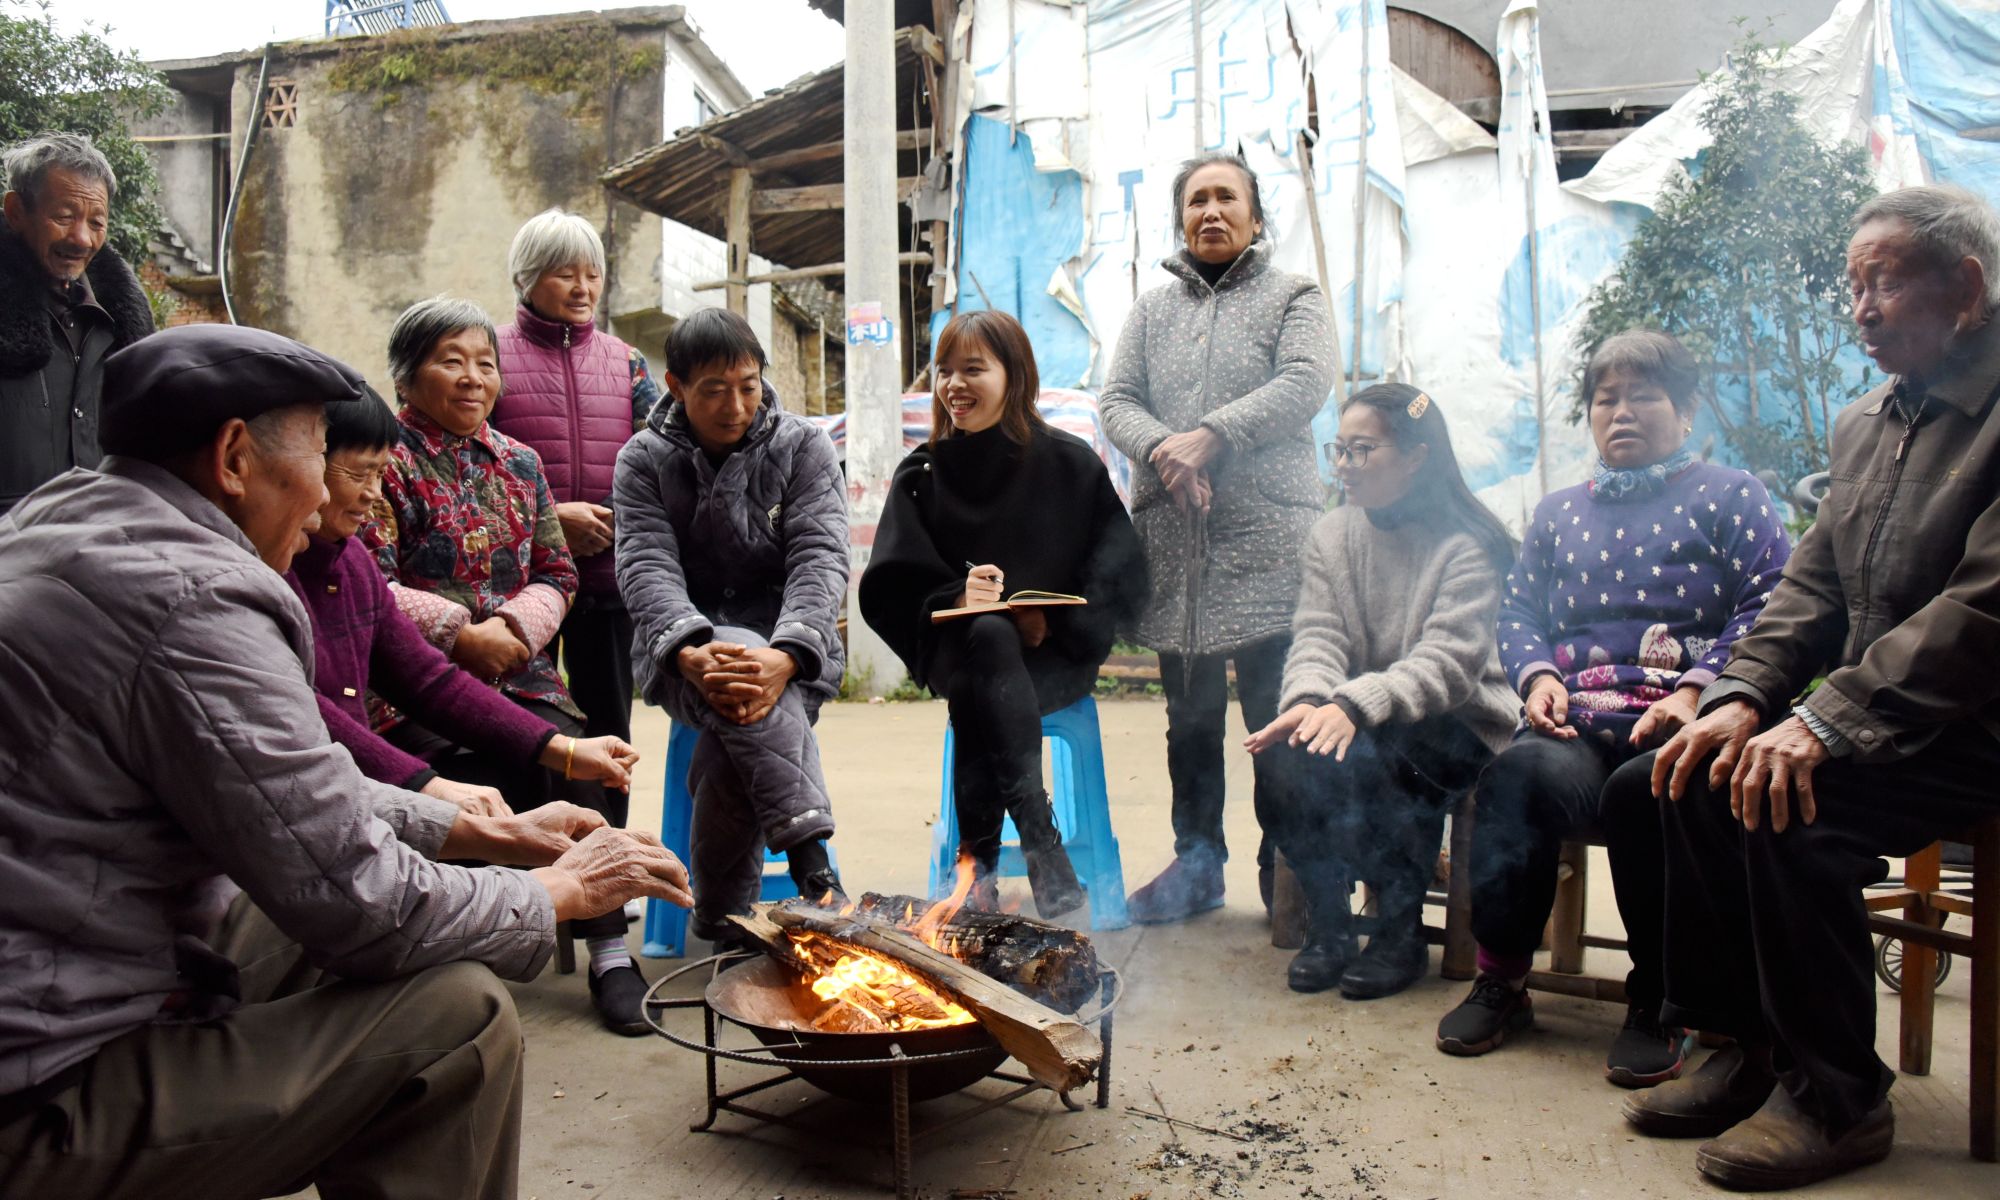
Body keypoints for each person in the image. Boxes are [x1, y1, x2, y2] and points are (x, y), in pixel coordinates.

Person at [0, 323, 691, 1200]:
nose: (336, 490)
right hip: (43, 1083)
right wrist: (556, 892)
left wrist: (486, 832)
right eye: (328, 459)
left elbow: (286, 793)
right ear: (234, 456)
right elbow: (359, 898)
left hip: (78, 961)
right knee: (459, 1019)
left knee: (300, 908)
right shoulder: (194, 597)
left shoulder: (67, 520)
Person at [1617, 184, 2000, 1191]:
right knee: (1694, 767)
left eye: (1885, 282)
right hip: (1886, 710)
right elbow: (1812, 586)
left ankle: (1835, 1097)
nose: (1861, 307)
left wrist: (1824, 722)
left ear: (1963, 288)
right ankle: (1742, 1047)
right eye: (1851, 285)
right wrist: (1743, 692)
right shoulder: (1865, 422)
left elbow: (1982, 612)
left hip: (1980, 720)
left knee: (1793, 804)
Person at [1433, 331, 1789, 1083]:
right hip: (1577, 721)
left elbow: (1772, 604)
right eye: (1606, 398)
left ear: (1686, 410)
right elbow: (1521, 610)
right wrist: (1535, 680)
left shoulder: (1731, 496)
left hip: (1687, 719)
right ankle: (1503, 979)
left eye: (1644, 395)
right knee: (1516, 777)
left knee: (1646, 792)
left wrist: (1700, 690)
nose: (1621, 412)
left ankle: (1663, 998)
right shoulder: (1560, 513)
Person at [359, 296, 646, 1034]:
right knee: (459, 775)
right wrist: (460, 632)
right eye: (450, 361)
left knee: (572, 758)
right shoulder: (381, 464)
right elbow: (370, 581)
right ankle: (461, 952)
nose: (472, 378)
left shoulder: (519, 462)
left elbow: (559, 567)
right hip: (412, 685)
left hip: (520, 671)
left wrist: (515, 629)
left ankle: (609, 947)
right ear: (406, 375)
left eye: (484, 363)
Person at [1099, 151, 1336, 924]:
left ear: (1256, 217)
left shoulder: (1292, 295)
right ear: (1181, 219)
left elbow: (1305, 381)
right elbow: (1119, 399)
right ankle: (1197, 862)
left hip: (1268, 535)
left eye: (1226, 198)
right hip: (1178, 539)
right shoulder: (1152, 310)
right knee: (1189, 717)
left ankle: (1289, 861)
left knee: (1274, 706)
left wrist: (1211, 437)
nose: (1211, 212)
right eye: (1196, 199)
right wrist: (1167, 455)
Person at [861, 310, 1147, 915]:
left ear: (1014, 375)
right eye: (944, 372)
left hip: (1052, 658)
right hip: (958, 649)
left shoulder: (1071, 465)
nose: (953, 386)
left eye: (973, 369)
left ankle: (978, 867)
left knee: (981, 673)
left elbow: (1122, 574)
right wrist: (957, 598)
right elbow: (890, 584)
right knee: (986, 634)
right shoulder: (924, 473)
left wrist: (1052, 620)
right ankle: (1040, 836)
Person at [1244, 383, 1518, 1000]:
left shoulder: (1468, 546)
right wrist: (1310, 703)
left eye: (1360, 451)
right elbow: (1318, 635)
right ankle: (1332, 929)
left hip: (1462, 722)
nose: (1342, 466)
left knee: (1386, 754)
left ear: (1416, 456)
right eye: (1337, 450)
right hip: (1366, 714)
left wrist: (1352, 706)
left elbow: (1447, 665)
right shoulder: (1332, 535)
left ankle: (1399, 932)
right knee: (1286, 750)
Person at [287, 385, 642, 821]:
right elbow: (313, 712)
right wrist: (428, 787)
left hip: (512, 680)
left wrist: (564, 751)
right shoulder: (269, 572)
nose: (372, 494)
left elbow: (426, 679)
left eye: (379, 475)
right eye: (358, 475)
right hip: (332, 791)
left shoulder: (350, 558)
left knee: (573, 783)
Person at [614, 306, 849, 944]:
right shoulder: (642, 459)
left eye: (748, 386)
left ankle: (723, 918)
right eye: (714, 390)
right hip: (682, 658)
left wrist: (789, 654)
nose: (735, 405)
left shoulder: (803, 445)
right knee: (733, 664)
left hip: (791, 652)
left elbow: (821, 557)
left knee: (731, 733)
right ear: (676, 386)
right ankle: (812, 865)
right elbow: (644, 565)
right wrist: (688, 650)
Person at [492, 208, 662, 754]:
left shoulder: (627, 362)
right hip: (515, 585)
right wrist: (551, 521)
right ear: (527, 277)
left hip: (606, 580)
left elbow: (657, 459)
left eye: (593, 273)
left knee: (609, 734)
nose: (583, 287)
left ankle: (611, 840)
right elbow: (470, 468)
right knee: (519, 731)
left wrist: (609, 519)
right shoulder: (487, 355)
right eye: (566, 273)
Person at [1, 133, 152, 514]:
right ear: (16, 211)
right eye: (64, 217)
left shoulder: (121, 327)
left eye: (97, 222)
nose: (82, 238)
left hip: (97, 554)